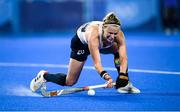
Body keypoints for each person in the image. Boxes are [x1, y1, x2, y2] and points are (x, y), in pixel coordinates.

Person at [30, 12, 140, 93]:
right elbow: (97, 64)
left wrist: (123, 75)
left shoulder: (119, 34)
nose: (112, 37)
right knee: (70, 81)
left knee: (116, 49)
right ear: (103, 28)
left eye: (115, 34)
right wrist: (108, 78)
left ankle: (125, 84)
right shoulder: (94, 36)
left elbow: (123, 57)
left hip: (100, 45)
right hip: (80, 44)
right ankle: (44, 76)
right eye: (110, 33)